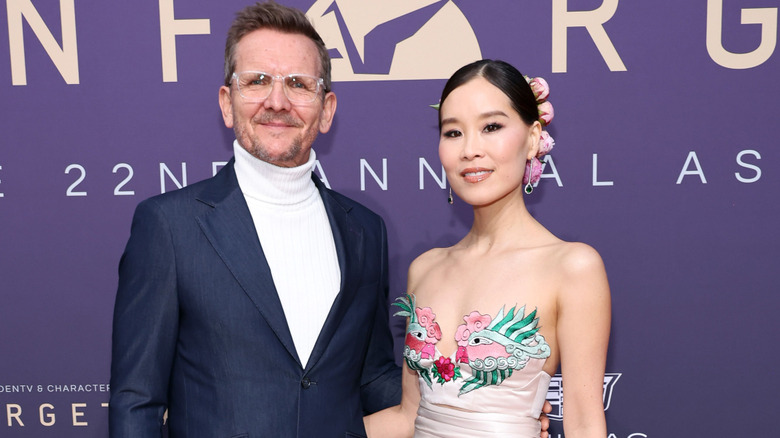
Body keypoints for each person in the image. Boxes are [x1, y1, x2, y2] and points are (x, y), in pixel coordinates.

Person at [108, 2, 402, 437]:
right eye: (257, 81)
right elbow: (136, 402)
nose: (277, 101)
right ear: (227, 103)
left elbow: (374, 378)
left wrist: (474, 402)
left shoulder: (365, 230)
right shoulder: (169, 227)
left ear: (326, 109)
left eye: (299, 84)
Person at [364, 60, 611, 437]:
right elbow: (408, 416)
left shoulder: (572, 266)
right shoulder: (425, 269)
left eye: (491, 127)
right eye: (453, 132)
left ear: (532, 139)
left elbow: (583, 423)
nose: (470, 150)